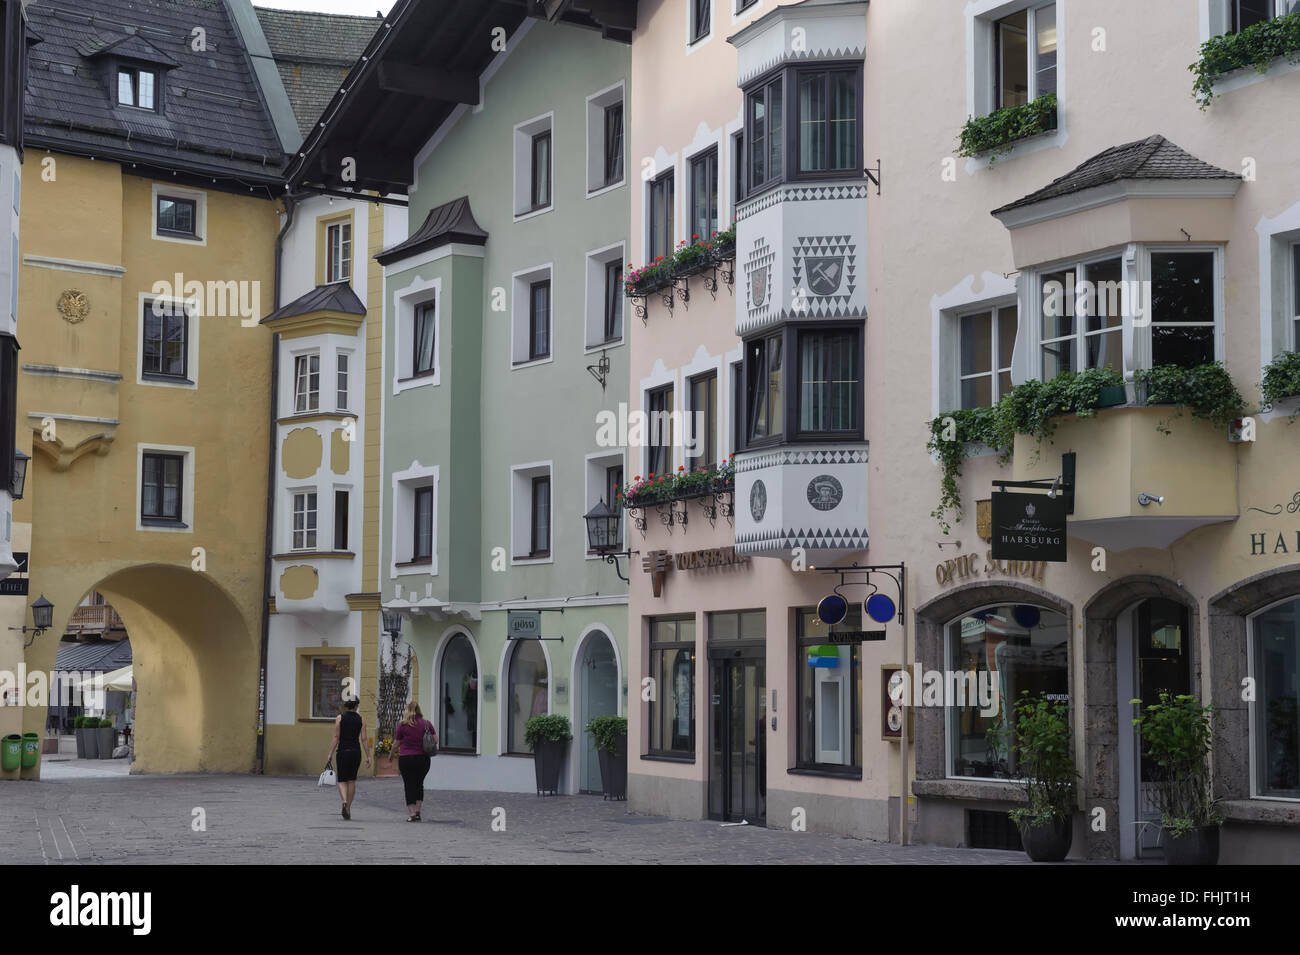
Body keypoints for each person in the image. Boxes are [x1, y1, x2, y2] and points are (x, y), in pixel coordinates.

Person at [326, 696, 370, 820]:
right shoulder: (361, 719)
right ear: (356, 706)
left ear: (346, 705)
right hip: (355, 752)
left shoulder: (340, 718)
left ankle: (344, 801)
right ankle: (348, 808)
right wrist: (368, 756)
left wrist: (330, 753)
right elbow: (364, 739)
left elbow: (336, 737)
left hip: (343, 751)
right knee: (351, 780)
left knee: (341, 780)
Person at [394, 701, 436, 822]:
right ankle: (418, 812)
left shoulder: (402, 725)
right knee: (419, 784)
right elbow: (435, 740)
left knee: (409, 785)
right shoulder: (427, 724)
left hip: (406, 759)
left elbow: (396, 743)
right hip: (423, 759)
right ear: (419, 710)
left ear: (407, 710)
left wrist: (391, 754)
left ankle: (412, 813)